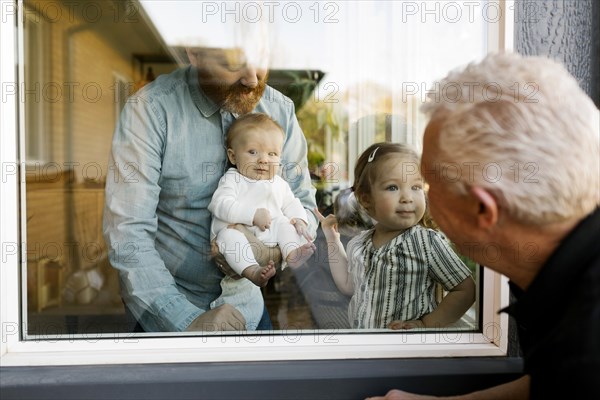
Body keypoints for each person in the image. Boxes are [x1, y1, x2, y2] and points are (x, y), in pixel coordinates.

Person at [367, 53, 600, 399]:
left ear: (482, 209)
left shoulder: (585, 352)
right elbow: (548, 382)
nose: (418, 197)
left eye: (428, 183)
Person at [102, 45, 318, 333]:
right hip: (168, 316)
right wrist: (184, 320)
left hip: (249, 310)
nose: (252, 80)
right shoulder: (151, 110)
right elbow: (128, 231)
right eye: (233, 64)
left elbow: (304, 205)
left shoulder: (279, 110)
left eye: (261, 60)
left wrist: (270, 254)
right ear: (194, 54)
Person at [317, 142, 475, 330]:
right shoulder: (359, 244)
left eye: (416, 187)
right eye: (393, 187)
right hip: (366, 347)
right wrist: (332, 238)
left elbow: (465, 289)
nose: (407, 197)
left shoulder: (426, 242)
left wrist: (426, 324)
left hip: (408, 352)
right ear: (366, 199)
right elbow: (347, 285)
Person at [207, 112, 316, 330]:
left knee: (286, 223)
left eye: (272, 154)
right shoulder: (233, 179)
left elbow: (292, 203)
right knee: (230, 238)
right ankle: (252, 272)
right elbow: (219, 204)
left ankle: (292, 253)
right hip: (235, 232)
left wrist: (300, 220)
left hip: (267, 235)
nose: (263, 159)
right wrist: (252, 215)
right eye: (253, 152)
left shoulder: (279, 183)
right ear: (233, 156)